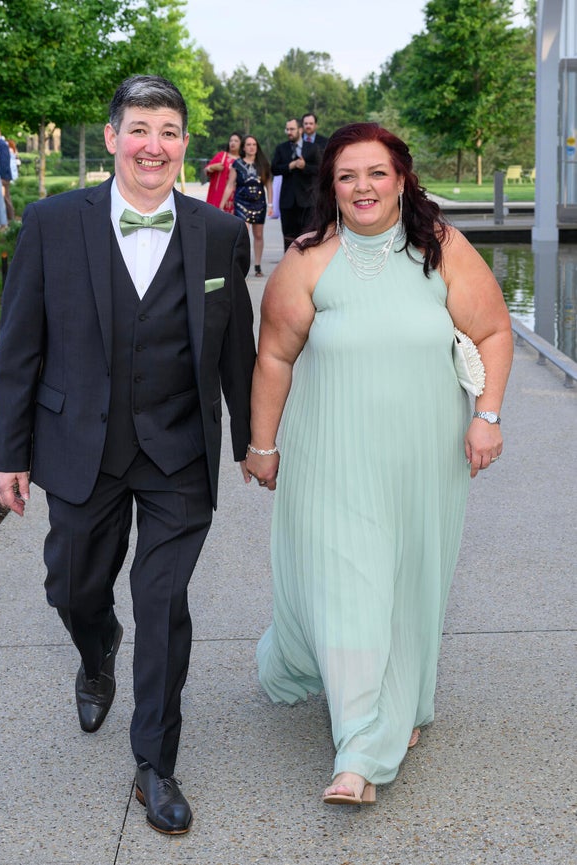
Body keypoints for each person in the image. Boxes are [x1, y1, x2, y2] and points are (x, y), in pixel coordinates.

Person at [0, 75, 256, 836]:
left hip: (178, 454)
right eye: (139, 128)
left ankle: (155, 764)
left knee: (164, 603)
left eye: (168, 130)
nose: (154, 145)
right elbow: (20, 345)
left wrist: (252, 441)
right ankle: (96, 643)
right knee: (72, 584)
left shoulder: (220, 233)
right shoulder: (49, 223)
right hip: (80, 446)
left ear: (184, 144)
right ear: (112, 138)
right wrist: (8, 450)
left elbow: (236, 348)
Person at [246, 122, 513, 806]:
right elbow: (274, 355)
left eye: (376, 173)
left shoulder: (441, 250)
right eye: (346, 175)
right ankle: (361, 751)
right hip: (331, 454)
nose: (362, 187)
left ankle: (409, 703)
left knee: (413, 581)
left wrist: (487, 417)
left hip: (426, 453)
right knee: (352, 583)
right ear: (329, 186)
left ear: (401, 179)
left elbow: (492, 331)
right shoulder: (308, 260)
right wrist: (263, 443)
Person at [220, 134, 273, 277]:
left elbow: (268, 184)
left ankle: (257, 266)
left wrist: (270, 204)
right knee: (244, 233)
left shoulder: (263, 163)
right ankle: (241, 265)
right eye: (248, 144)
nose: (251, 147)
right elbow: (230, 185)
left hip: (259, 203)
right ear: (244, 147)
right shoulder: (237, 164)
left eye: (254, 144)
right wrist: (221, 205)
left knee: (258, 234)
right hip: (241, 202)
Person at [271, 118, 320, 251]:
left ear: (300, 130)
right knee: (288, 237)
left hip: (307, 201)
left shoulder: (312, 148)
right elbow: (274, 169)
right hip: (287, 202)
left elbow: (319, 170)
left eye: (292, 129)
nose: (289, 132)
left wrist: (305, 166)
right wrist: (290, 166)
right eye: (287, 129)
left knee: (308, 237)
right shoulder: (281, 148)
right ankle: (289, 266)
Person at [204, 131, 242, 213]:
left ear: (241, 144)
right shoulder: (222, 156)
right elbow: (206, 170)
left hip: (236, 197)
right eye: (231, 141)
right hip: (218, 195)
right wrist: (212, 167)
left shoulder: (243, 161)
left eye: (236, 141)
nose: (233, 143)